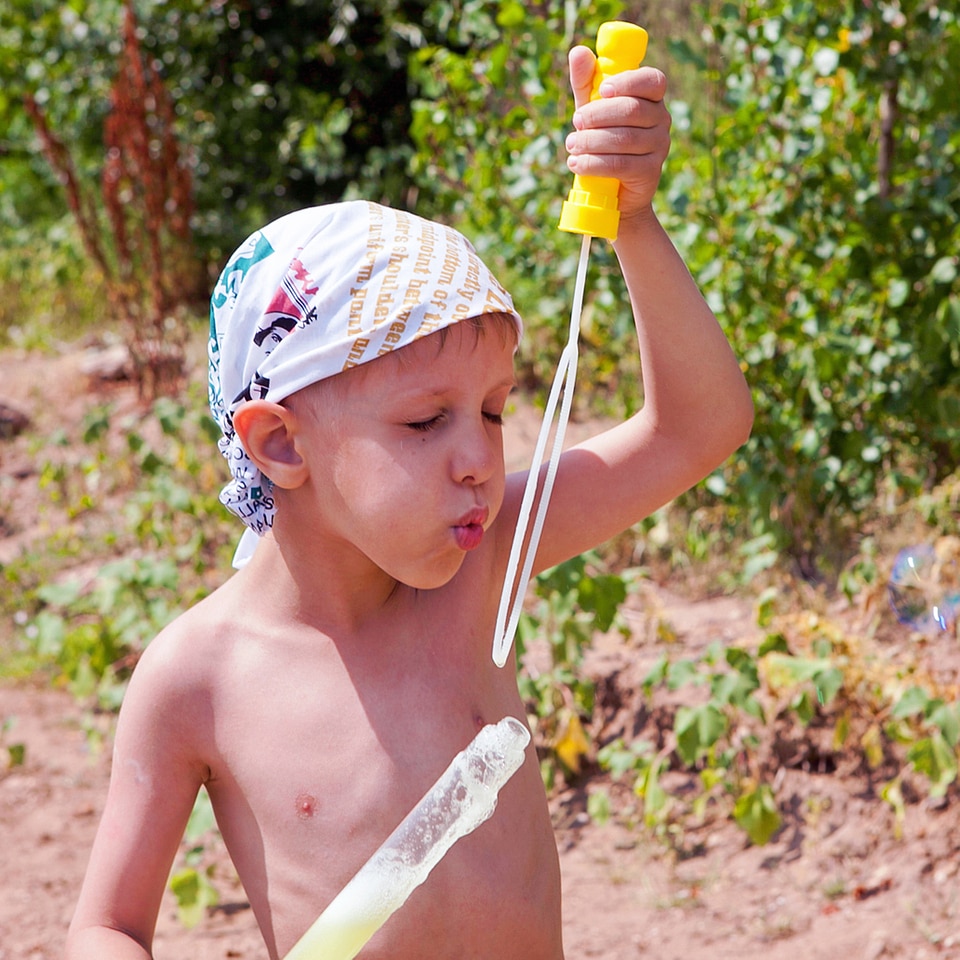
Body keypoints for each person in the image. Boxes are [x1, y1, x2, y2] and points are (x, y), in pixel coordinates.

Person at [65, 41, 753, 960]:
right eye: (427, 422)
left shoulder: (488, 559)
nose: (478, 458)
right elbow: (108, 923)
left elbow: (697, 427)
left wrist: (632, 221)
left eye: (496, 410)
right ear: (280, 443)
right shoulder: (196, 679)